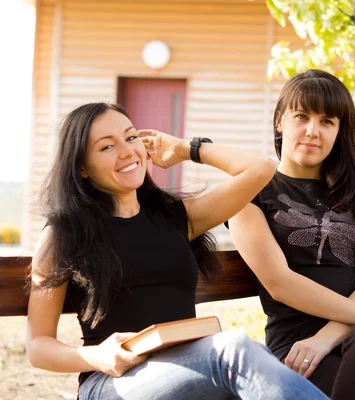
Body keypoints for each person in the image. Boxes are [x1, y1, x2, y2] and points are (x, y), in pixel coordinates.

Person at [26, 102, 328, 400]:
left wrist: (186, 149)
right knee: (233, 351)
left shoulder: (177, 217)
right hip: (111, 384)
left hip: (190, 372)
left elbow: (261, 168)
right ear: (81, 167)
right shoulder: (63, 235)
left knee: (247, 366)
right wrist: (98, 356)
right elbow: (38, 345)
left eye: (132, 137)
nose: (128, 151)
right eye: (107, 147)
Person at [228, 70, 355, 400]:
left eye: (327, 122)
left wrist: (327, 337)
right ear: (280, 120)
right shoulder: (251, 193)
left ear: (339, 132)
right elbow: (280, 284)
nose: (312, 131)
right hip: (299, 348)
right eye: (301, 117)